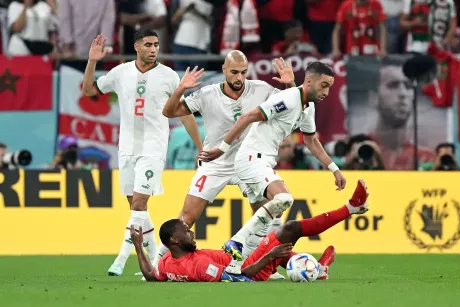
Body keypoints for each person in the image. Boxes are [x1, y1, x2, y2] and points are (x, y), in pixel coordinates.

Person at [159, 51, 296, 280]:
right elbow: (169, 111)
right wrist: (181, 88)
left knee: (269, 213)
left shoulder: (261, 89)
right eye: (234, 72)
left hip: (249, 160)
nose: (239, 77)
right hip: (215, 161)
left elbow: (293, 103)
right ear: (224, 70)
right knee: (187, 217)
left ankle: (265, 267)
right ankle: (158, 265)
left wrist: (291, 84)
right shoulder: (207, 94)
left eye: (243, 72)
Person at [199, 61, 347, 273]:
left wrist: (334, 168)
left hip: (263, 161)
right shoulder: (287, 99)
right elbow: (248, 116)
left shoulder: (308, 108)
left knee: (272, 223)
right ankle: (237, 241)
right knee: (284, 199)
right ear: (308, 81)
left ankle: (238, 268)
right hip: (251, 159)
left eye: (330, 87)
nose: (327, 91)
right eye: (323, 85)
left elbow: (311, 141)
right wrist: (222, 149)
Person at [81, 30, 203, 277]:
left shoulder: (169, 76)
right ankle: (157, 264)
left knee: (139, 203)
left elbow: (185, 112)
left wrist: (201, 148)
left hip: (153, 147)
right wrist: (92, 61)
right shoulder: (121, 72)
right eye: (148, 44)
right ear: (136, 46)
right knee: (136, 209)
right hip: (126, 148)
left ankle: (121, 259)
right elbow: (89, 91)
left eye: (156, 44)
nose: (153, 49)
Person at [131, 179, 369, 282]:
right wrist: (268, 257)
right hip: (246, 266)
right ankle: (350, 208)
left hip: (230, 253)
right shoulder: (200, 267)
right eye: (186, 230)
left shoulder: (166, 265)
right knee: (289, 230)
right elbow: (240, 276)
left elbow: (151, 276)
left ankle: (319, 269)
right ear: (174, 239)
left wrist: (139, 246)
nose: (191, 232)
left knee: (270, 234)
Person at [368, 59, 435, 170]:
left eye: (408, 86)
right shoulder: (362, 152)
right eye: (393, 85)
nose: (403, 93)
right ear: (374, 98)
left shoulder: (427, 158)